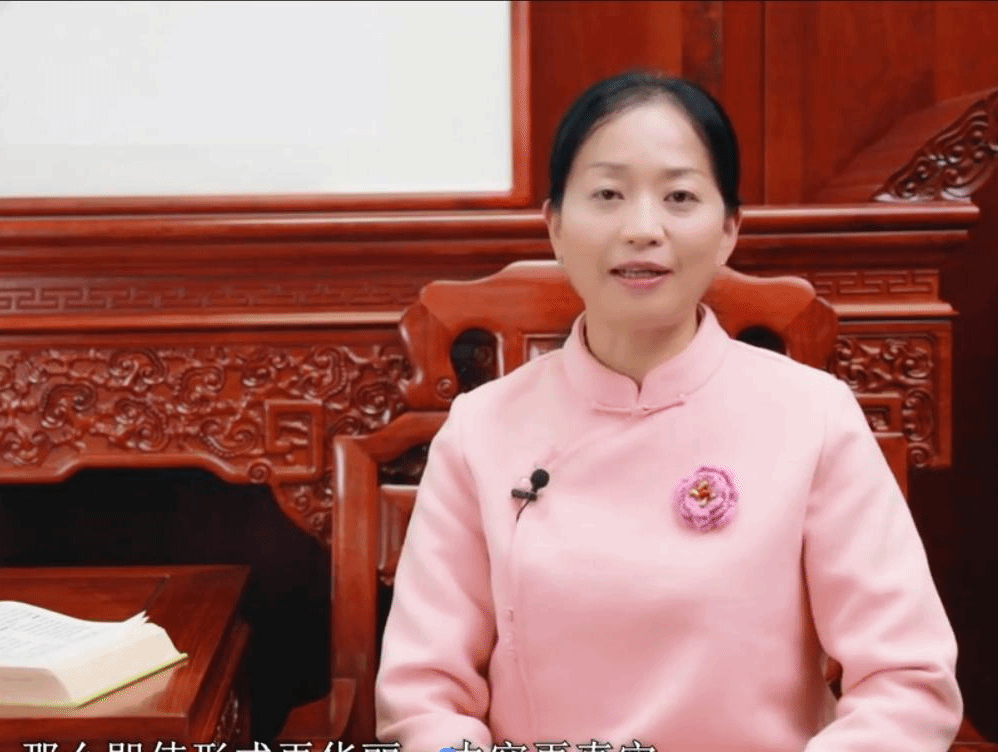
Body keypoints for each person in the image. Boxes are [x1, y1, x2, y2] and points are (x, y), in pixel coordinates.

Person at [374, 70, 962, 752]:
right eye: (608, 194)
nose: (642, 229)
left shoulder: (814, 417)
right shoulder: (481, 428)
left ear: (729, 229)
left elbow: (905, 682)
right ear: (555, 226)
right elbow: (423, 696)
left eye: (679, 196)